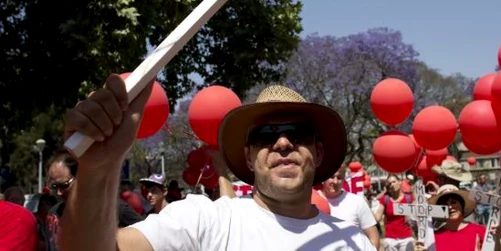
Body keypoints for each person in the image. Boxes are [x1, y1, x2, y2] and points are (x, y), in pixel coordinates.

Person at [59, 77, 374, 250]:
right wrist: (98, 171)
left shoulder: (354, 242)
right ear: (249, 156)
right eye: (266, 135)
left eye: (299, 132)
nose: (282, 143)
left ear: (318, 154)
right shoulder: (203, 220)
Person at [45, 149, 144, 250]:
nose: (58, 192)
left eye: (64, 185)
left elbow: (147, 237)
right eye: (54, 186)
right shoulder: (54, 215)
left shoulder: (114, 209)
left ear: (81, 177)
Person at [415, 184, 501, 251]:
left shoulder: (480, 231)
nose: (449, 207)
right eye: (444, 204)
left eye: (453, 202)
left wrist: (496, 239)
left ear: (462, 206)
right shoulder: (432, 238)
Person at [321, 165, 380, 249]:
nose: (335, 181)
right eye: (331, 177)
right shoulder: (311, 201)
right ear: (324, 178)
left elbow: (373, 235)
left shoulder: (357, 202)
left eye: (339, 178)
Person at [375, 174, 416, 251]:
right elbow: (377, 217)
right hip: (390, 240)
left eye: (394, 182)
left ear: (400, 182)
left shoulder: (409, 198)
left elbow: (417, 213)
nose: (392, 185)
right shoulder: (385, 199)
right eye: (390, 183)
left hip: (406, 238)